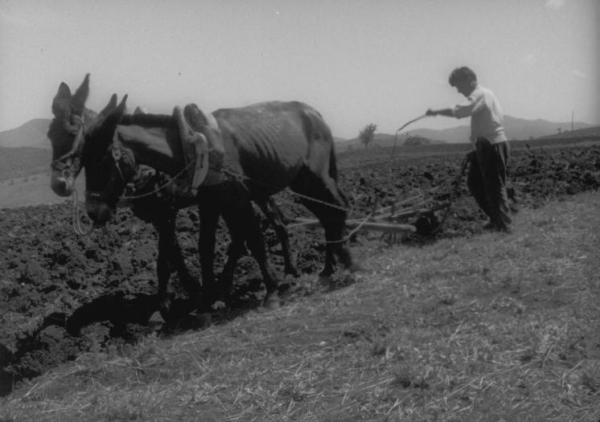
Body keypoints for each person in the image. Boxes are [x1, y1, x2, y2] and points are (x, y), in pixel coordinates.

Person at [426, 66, 512, 232]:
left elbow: (462, 110)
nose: (458, 90)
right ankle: (496, 219)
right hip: (487, 143)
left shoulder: (479, 94)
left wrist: (436, 112)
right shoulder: (487, 94)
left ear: (469, 80)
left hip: (491, 144)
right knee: (475, 183)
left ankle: (503, 226)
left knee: (494, 186)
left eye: (459, 85)